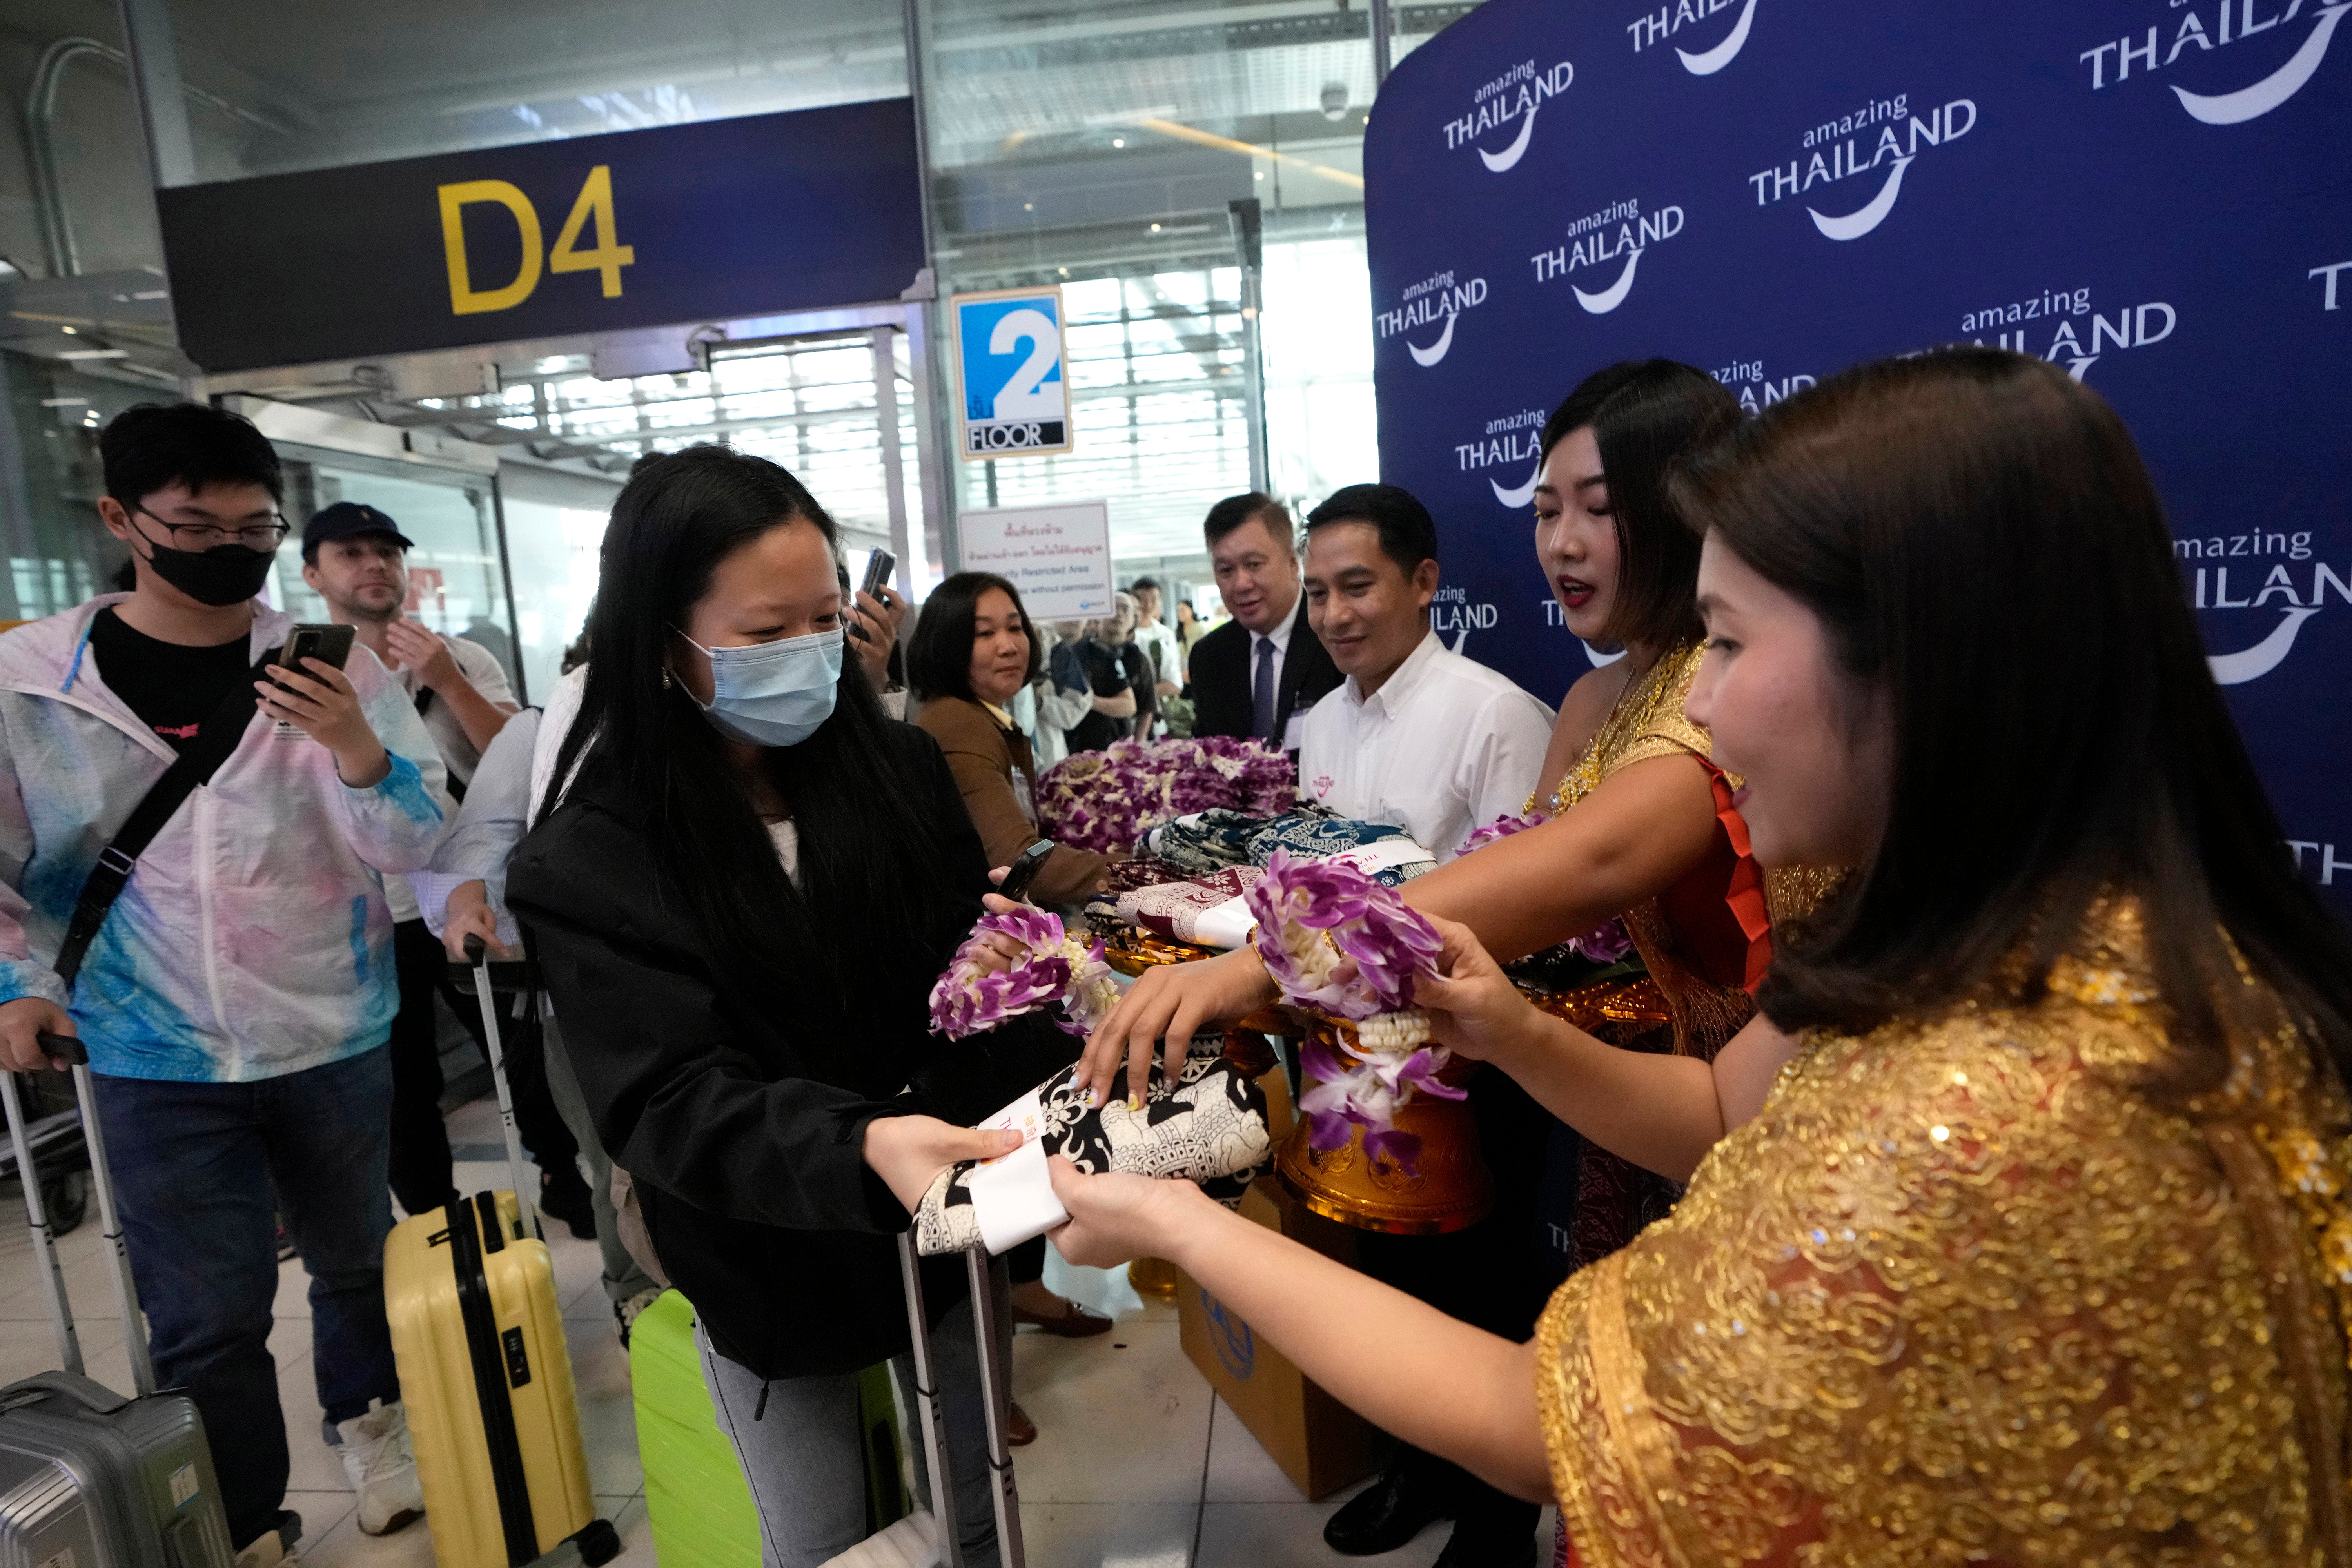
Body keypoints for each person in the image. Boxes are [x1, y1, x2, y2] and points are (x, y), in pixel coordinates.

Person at [1042, 347, 2352, 1565]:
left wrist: (1171, 1216)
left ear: (1919, 654)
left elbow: (1540, 1416)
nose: (1711, 704)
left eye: (1734, 643)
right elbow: (1735, 1104)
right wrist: (1508, 1028)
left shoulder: (1997, 1106)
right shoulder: (2010, 928)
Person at [1073, 364, 1777, 1566]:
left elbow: (1589, 857)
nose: (1559, 541)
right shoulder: (1603, 694)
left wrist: (1271, 966)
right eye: (1542, 508)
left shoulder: (1678, 710)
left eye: (1592, 507)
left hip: (1738, 1123)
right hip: (1642, 1105)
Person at [504, 445, 1070, 1568]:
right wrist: (862, 1142)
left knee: (980, 1501)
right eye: (765, 636)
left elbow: (970, 965)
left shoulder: (897, 771)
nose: (810, 657)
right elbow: (667, 1098)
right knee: (818, 1535)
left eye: (828, 621)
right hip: (762, 1246)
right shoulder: (591, 858)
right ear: (664, 641)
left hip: (951, 1213)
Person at [0, 404, 449, 1562]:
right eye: (196, 524)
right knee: (206, 1320)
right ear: (120, 518)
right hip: (147, 1051)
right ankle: (245, 1521)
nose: (230, 547)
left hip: (336, 1026)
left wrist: (358, 744)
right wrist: (12, 984)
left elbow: (412, 847)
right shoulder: (31, 679)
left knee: (356, 1261)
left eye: (254, 525)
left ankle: (373, 1430)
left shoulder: (327, 661)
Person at [296, 502, 597, 1236]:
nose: (374, 566)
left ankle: (562, 1174)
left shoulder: (462, 655)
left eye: (385, 552)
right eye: (351, 555)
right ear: (313, 575)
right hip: (374, 908)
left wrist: (447, 679)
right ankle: (433, 1215)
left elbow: (524, 758)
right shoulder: (306, 675)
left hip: (471, 895)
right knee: (404, 1076)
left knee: (522, 1049)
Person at [1295, 483, 1554, 864]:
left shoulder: (1496, 716)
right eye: (1317, 594)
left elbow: (1530, 892)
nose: (1333, 616)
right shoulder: (1320, 722)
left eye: (1357, 588)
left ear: (1424, 583)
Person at [911, 571, 1114, 906]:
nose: (1008, 647)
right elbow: (1019, 861)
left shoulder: (983, 716)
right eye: (984, 633)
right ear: (945, 646)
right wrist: (1149, 876)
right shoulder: (957, 723)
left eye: (1015, 628)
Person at [1187, 492, 1341, 750]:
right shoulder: (1209, 657)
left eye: (1254, 564)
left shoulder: (1335, 636)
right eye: (1226, 570)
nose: (1241, 584)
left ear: (1293, 563)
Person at [1059, 596, 1152, 754]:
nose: (1119, 614)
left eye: (1125, 610)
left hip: (1111, 748)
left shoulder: (1132, 658)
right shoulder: (1056, 654)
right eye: (1113, 608)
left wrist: (1088, 701)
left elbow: (1134, 707)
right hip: (1065, 746)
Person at [1127, 575, 1184, 714]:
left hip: (1157, 713)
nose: (1148, 605)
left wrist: (1133, 696)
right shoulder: (1123, 633)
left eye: (1153, 599)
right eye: (1142, 599)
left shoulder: (1165, 635)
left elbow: (1175, 684)